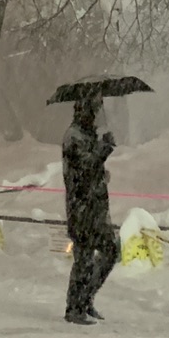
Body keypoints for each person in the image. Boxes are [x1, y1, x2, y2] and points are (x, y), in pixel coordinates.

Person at [62, 93, 117, 325]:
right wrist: (104, 149)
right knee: (83, 258)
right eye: (96, 109)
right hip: (82, 209)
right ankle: (75, 307)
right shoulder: (73, 136)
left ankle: (86, 298)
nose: (98, 115)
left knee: (111, 250)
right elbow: (83, 169)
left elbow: (91, 169)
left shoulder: (87, 135)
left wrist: (102, 175)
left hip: (95, 208)